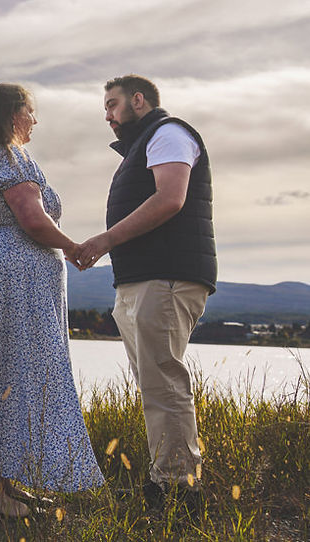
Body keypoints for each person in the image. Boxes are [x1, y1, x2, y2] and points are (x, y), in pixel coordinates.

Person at [0, 83, 104, 517]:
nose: (35, 121)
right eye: (31, 113)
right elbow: (33, 220)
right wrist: (74, 249)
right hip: (8, 283)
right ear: (13, 115)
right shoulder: (7, 156)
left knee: (2, 371)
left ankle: (1, 478)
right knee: (14, 371)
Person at [73, 75, 216, 503]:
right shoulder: (144, 145)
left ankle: (178, 489)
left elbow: (171, 198)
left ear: (139, 100)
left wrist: (104, 240)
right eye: (105, 109)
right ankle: (166, 479)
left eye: (113, 105)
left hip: (166, 277)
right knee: (155, 383)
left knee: (163, 381)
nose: (108, 116)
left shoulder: (169, 133)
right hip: (142, 280)